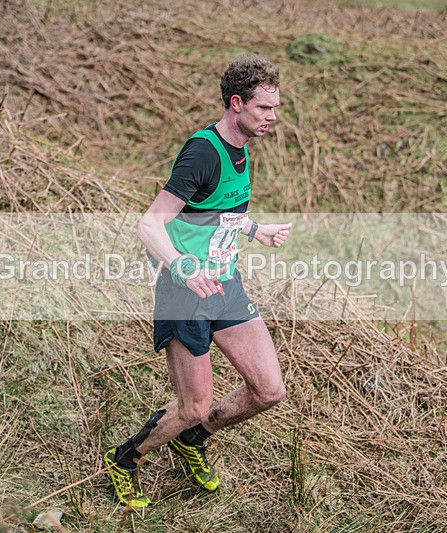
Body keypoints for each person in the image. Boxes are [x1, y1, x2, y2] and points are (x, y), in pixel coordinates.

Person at [103, 55, 292, 508]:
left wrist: (254, 229)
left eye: (275, 108)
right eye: (264, 108)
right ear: (236, 103)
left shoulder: (240, 147)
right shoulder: (202, 151)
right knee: (193, 405)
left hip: (225, 286)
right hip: (185, 294)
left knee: (269, 390)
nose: (272, 117)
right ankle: (125, 459)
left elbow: (219, 209)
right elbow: (149, 225)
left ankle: (193, 439)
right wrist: (184, 267)